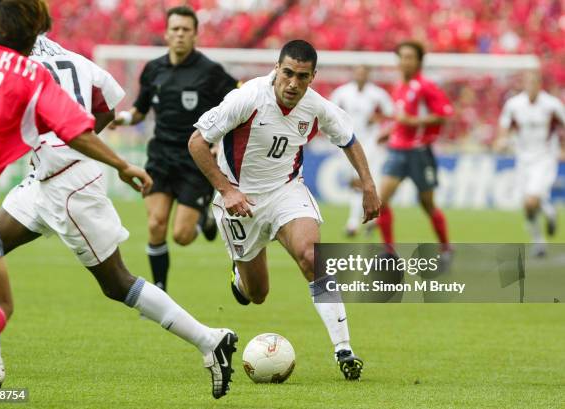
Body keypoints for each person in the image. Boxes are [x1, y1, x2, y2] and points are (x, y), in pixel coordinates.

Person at [0, 34, 238, 400]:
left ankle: (210, 339)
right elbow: (106, 102)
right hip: (43, 180)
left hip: (68, 186)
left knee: (117, 283)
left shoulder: (16, 64)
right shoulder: (66, 55)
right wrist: (72, 138)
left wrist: (70, 145)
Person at [0, 1, 151, 407]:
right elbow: (80, 126)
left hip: (282, 198)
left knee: (172, 233)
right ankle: (210, 336)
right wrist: (122, 163)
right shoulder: (33, 75)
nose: (294, 81)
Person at [188, 40, 381, 380]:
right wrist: (227, 189)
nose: (293, 83)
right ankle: (239, 274)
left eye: (302, 77)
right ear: (277, 69)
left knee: (311, 256)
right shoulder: (247, 98)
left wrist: (368, 184)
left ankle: (344, 349)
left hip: (285, 191)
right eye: (288, 73)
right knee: (256, 294)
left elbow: (348, 139)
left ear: (313, 77)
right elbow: (197, 143)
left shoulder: (316, 106)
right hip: (240, 201)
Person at [110, 6, 239, 291]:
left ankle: (203, 220)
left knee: (181, 235)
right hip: (160, 157)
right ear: (167, 34)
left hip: (195, 160)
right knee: (156, 224)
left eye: (186, 30)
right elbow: (141, 110)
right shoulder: (153, 69)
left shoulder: (210, 72)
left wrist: (220, 141)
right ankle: (159, 293)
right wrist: (124, 118)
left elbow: (239, 104)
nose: (180, 34)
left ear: (195, 35)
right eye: (175, 29)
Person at [375, 40, 453, 254]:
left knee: (426, 203)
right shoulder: (399, 87)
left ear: (419, 61)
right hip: (397, 150)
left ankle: (445, 245)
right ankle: (388, 250)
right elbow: (401, 118)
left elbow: (445, 114)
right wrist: (389, 131)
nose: (405, 61)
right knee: (381, 201)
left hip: (419, 152)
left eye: (410, 57)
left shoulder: (426, 86)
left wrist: (414, 122)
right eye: (402, 57)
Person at [496, 71, 565, 256]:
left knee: (531, 200)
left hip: (545, 157)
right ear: (524, 85)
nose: (530, 87)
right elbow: (504, 124)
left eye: (534, 83)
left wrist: (563, 149)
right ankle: (546, 221)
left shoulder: (552, 105)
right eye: (527, 83)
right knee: (527, 205)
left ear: (539, 84)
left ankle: (539, 242)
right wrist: (501, 140)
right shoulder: (514, 104)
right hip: (523, 158)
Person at [330, 65, 393, 237]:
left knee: (364, 179)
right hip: (347, 140)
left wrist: (378, 120)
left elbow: (391, 114)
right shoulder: (342, 92)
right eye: (357, 73)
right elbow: (329, 113)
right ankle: (369, 218)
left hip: (370, 141)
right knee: (354, 182)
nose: (360, 76)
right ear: (353, 75)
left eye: (363, 74)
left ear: (368, 75)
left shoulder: (377, 94)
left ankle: (353, 222)